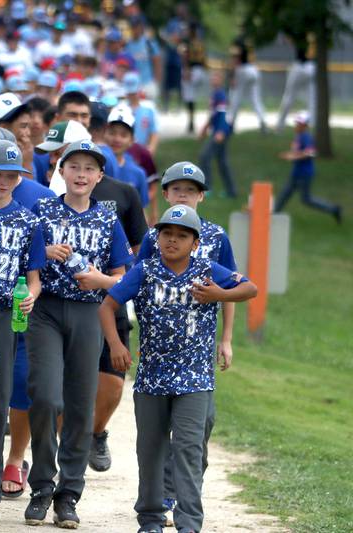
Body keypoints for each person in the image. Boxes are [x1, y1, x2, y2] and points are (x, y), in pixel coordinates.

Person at [101, 204, 257, 533]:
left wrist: (218, 292)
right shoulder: (144, 270)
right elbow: (108, 304)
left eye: (182, 236)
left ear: (195, 242)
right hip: (152, 378)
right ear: (157, 238)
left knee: (188, 448)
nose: (173, 240)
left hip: (195, 379)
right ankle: (150, 518)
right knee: (150, 450)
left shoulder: (208, 270)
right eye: (166, 234)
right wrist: (117, 345)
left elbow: (250, 288)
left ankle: (189, 523)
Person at [24, 140, 132, 528]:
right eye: (74, 166)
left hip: (88, 312)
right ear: (61, 170)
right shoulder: (42, 210)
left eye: (90, 168)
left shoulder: (107, 217)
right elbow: (22, 257)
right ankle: (40, 484)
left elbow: (125, 274)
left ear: (99, 176)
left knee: (80, 403)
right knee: (46, 396)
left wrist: (99, 280)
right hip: (47, 310)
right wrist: (44, 250)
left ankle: (69, 493)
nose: (82, 174)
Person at [135, 161, 240, 518]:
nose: (184, 195)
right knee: (162, 428)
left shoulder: (216, 237)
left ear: (202, 196)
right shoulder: (156, 237)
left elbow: (233, 288)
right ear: (165, 195)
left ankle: (184, 485)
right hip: (160, 350)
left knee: (200, 426)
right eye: (177, 189)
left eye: (191, 190)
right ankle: (166, 493)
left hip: (198, 348)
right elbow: (141, 281)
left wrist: (225, 339)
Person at [0, 139, 45, 525]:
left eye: (12, 176)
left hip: (3, 312)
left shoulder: (28, 220)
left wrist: (31, 297)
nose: (4, 181)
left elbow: (32, 277)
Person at [86, 164, 149, 475]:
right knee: (59, 388)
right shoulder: (48, 195)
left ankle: (96, 433)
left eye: (88, 166)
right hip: (60, 307)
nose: (80, 173)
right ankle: (64, 449)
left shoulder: (122, 193)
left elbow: (140, 250)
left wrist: (126, 283)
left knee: (112, 381)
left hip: (113, 299)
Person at [275, 111, 342, 222]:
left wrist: (293, 157)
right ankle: (273, 214)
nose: (296, 125)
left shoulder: (306, 137)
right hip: (297, 172)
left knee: (306, 199)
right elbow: (298, 152)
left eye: (299, 123)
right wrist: (287, 155)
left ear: (305, 125)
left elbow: (311, 153)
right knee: (286, 194)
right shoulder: (299, 136)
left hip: (304, 174)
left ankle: (334, 209)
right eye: (296, 122)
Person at [199, 70, 236, 197]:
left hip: (221, 132)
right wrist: (205, 128)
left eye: (216, 77)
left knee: (204, 156)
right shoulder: (215, 94)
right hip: (217, 131)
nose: (213, 79)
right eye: (212, 77)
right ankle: (231, 191)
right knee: (222, 162)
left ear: (221, 80)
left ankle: (208, 188)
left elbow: (223, 115)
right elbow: (213, 115)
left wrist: (221, 131)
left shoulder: (220, 95)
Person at [105, 105, 149, 207]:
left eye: (123, 135)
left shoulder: (138, 174)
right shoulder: (92, 168)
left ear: (132, 140)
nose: (117, 139)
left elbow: (141, 212)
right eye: (112, 133)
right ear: (104, 134)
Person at [276, 34, 316, 132]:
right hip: (312, 67)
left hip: (299, 66)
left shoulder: (300, 30)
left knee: (289, 96)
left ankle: (280, 126)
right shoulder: (316, 31)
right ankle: (314, 125)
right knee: (312, 98)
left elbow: (287, 40)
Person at [227, 37, 268, 132]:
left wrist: (232, 77)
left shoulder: (238, 40)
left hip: (242, 69)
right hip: (254, 69)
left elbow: (235, 59)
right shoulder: (250, 40)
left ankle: (230, 123)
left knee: (235, 97)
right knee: (255, 99)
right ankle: (263, 121)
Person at [0, 92, 33, 173]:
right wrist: (25, 164)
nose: (28, 133)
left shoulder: (28, 153)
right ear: (3, 128)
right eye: (23, 126)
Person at [125, 15, 162, 100]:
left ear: (141, 27)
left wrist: (156, 82)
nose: (135, 29)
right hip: (133, 84)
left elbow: (157, 62)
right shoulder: (127, 45)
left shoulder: (149, 43)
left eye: (137, 26)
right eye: (133, 27)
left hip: (148, 82)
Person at [123, 72, 160, 156]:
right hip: (124, 152)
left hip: (142, 152)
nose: (132, 95)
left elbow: (154, 131)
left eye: (134, 92)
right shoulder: (121, 109)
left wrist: (151, 149)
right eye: (129, 93)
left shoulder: (148, 110)